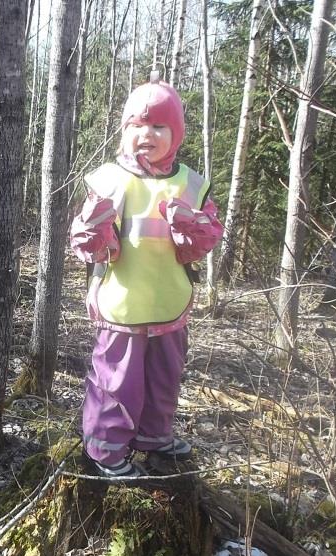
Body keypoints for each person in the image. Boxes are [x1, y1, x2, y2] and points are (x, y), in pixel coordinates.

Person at [70, 77, 223, 478]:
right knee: (116, 381)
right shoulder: (107, 179)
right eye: (136, 126)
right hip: (121, 303)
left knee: (164, 377)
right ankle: (106, 448)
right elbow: (87, 246)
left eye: (158, 127)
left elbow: (204, 241)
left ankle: (155, 438)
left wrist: (194, 228)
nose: (146, 135)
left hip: (170, 301)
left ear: (175, 134)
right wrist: (94, 231)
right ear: (124, 131)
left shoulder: (191, 183)